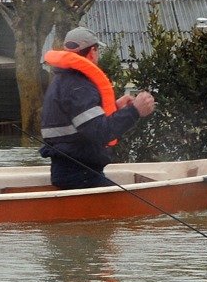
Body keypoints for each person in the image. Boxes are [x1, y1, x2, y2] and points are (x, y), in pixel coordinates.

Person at [38, 26, 156, 189]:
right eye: (98, 51)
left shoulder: (63, 81)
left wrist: (116, 107)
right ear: (92, 52)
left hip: (72, 173)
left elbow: (82, 123)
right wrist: (134, 111)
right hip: (80, 176)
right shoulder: (79, 86)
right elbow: (99, 132)